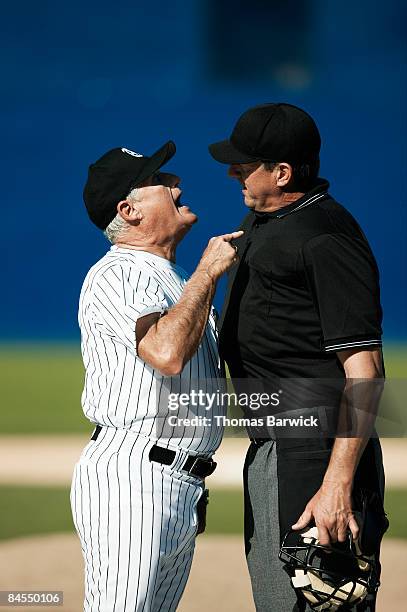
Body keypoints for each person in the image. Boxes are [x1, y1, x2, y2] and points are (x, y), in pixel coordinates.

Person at [209, 103, 387, 611]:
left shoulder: (325, 237)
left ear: (282, 173)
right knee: (279, 600)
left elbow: (365, 370)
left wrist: (336, 485)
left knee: (317, 602)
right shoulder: (268, 218)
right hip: (276, 448)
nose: (232, 172)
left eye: (244, 164)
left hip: (315, 454)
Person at [70, 140, 242, 612]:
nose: (175, 183)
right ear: (129, 210)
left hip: (173, 483)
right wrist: (208, 274)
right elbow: (165, 354)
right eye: (159, 181)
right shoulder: (120, 273)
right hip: (135, 479)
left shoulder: (168, 273)